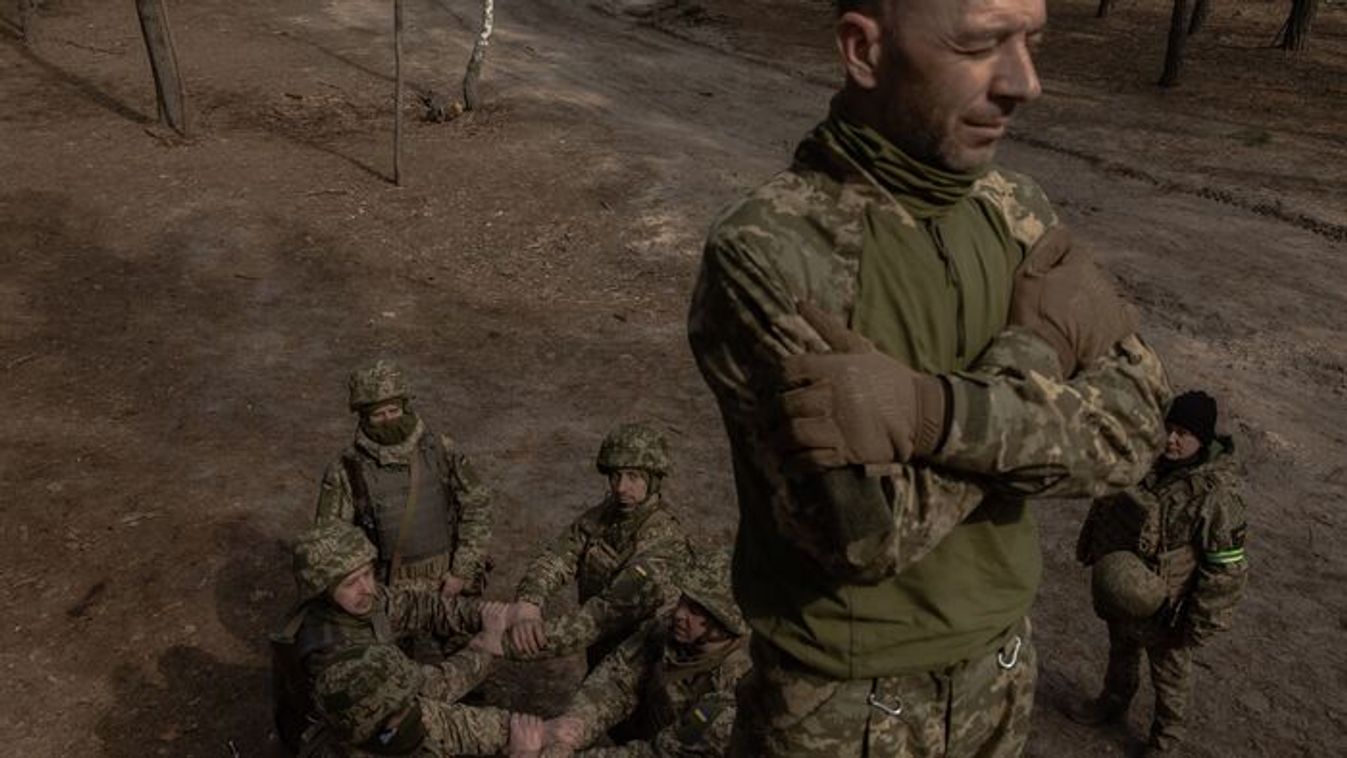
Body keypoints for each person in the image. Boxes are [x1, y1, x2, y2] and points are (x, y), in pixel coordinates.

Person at [686, 0, 1172, 755]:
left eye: (1031, 42)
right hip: (842, 712)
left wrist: (927, 413)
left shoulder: (1014, 206)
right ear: (863, 51)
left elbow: (1136, 426)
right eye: (980, 45)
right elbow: (867, 535)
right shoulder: (771, 249)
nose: (1025, 83)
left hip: (1004, 674)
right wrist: (1039, 351)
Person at [1071, 390, 1249, 756]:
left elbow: (1226, 570)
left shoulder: (1216, 496)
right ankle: (1114, 700)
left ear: (1202, 439)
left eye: (1184, 433)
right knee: (1121, 649)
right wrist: (1095, 550)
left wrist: (1199, 623)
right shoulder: (1145, 462)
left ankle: (1166, 739)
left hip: (1171, 606)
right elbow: (1106, 506)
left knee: (1170, 674)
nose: (1172, 439)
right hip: (1127, 587)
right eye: (1169, 428)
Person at [271, 521, 510, 752]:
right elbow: (422, 694)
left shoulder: (352, 602)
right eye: (351, 583)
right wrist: (483, 651)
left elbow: (418, 607)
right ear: (324, 590)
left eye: (368, 573)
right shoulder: (337, 658)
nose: (367, 588)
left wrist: (485, 614)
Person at [506, 424, 693, 669]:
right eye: (615, 476)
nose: (621, 487)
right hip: (602, 651)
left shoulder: (665, 542)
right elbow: (558, 557)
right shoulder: (603, 516)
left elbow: (604, 615)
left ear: (653, 481)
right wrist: (529, 603)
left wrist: (518, 641)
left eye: (633, 477)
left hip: (643, 664)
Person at [541, 549, 751, 756]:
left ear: (723, 626)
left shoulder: (736, 690)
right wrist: (573, 727)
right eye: (683, 601)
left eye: (694, 612)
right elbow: (617, 680)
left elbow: (662, 754)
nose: (679, 614)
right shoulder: (667, 630)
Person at [315, 359, 493, 598]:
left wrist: (462, 570)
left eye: (393, 411)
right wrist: (364, 589)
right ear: (364, 418)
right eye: (378, 415)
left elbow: (477, 505)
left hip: (449, 584)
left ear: (406, 407)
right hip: (385, 593)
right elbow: (331, 540)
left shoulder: (440, 450)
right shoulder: (346, 470)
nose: (388, 420)